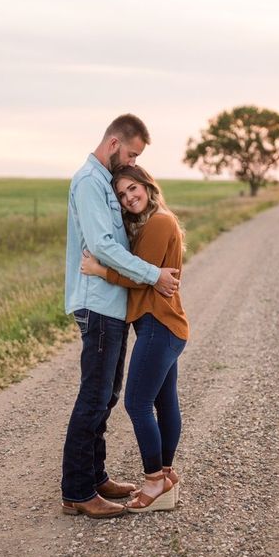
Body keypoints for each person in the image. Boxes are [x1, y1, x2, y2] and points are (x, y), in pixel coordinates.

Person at [61, 114, 181, 519]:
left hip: (111, 306)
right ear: (115, 143)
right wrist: (154, 275)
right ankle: (78, 491)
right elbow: (104, 246)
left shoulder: (104, 183)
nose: (131, 161)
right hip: (98, 305)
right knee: (94, 397)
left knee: (106, 397)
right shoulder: (91, 182)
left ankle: (94, 478)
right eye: (131, 153)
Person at [81, 165, 189, 513]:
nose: (129, 198)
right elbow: (147, 274)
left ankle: (155, 479)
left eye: (133, 189)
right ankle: (166, 476)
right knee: (163, 401)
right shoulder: (154, 221)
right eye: (122, 195)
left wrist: (101, 270)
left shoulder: (159, 221)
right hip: (164, 326)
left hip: (158, 325)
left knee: (136, 403)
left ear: (147, 184)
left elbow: (142, 277)